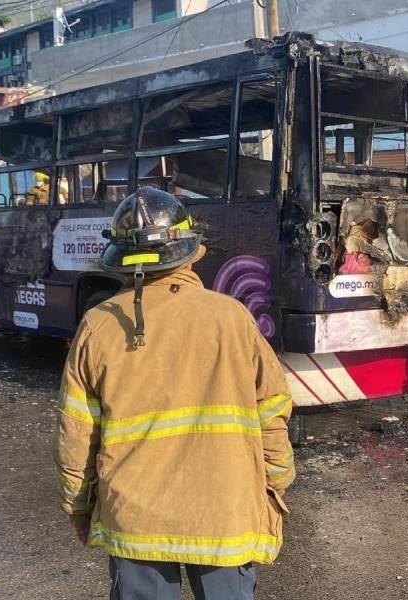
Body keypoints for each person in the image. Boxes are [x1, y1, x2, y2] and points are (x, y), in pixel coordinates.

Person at [53, 188, 294, 600]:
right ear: (189, 251)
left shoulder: (99, 325)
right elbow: (271, 412)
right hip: (225, 508)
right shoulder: (231, 318)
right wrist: (277, 481)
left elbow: (76, 433)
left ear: (122, 259)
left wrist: (78, 506)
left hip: (135, 516)